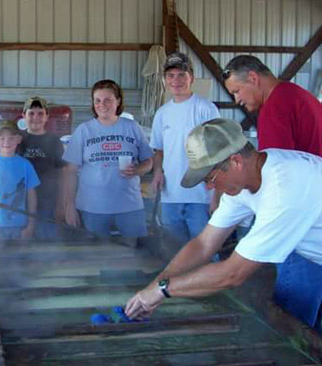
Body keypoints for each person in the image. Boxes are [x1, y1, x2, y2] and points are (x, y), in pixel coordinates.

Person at [125, 118, 322, 332]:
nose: (210, 187)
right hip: (306, 246)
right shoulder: (247, 178)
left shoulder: (284, 191)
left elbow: (233, 273)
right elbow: (203, 243)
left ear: (236, 161)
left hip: (309, 241)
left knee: (300, 332)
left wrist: (163, 290)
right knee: (293, 316)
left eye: (210, 178)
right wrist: (157, 285)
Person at [63, 79, 153, 242]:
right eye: (97, 100)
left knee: (133, 257)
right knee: (96, 258)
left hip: (129, 207)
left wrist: (138, 170)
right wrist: (69, 205)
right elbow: (70, 170)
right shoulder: (84, 130)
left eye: (108, 100)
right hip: (92, 208)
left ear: (118, 101)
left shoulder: (132, 127)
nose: (102, 105)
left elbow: (149, 161)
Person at [150, 52, 220, 246]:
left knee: (204, 250)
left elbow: (219, 153)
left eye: (181, 75)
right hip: (170, 195)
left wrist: (217, 194)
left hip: (200, 196)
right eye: (170, 76)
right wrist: (157, 172)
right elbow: (159, 151)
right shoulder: (162, 113)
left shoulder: (206, 109)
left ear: (192, 78)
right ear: (165, 80)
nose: (176, 80)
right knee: (174, 252)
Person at [223, 54, 322, 155]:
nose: (237, 100)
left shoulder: (274, 108)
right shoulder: (295, 93)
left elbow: (276, 165)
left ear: (253, 78)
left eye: (237, 91)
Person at [0, 120, 40, 240]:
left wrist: (30, 226)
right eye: (2, 138)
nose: (6, 142)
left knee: (18, 258)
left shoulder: (25, 165)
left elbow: (31, 197)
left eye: (11, 138)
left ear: (19, 139)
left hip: (20, 227)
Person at [17, 96, 66, 239]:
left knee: (48, 247)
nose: (35, 117)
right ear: (23, 116)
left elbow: (62, 174)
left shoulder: (54, 141)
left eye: (40, 113)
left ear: (47, 117)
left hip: (48, 205)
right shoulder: (17, 140)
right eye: (31, 113)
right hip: (21, 205)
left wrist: (61, 204)